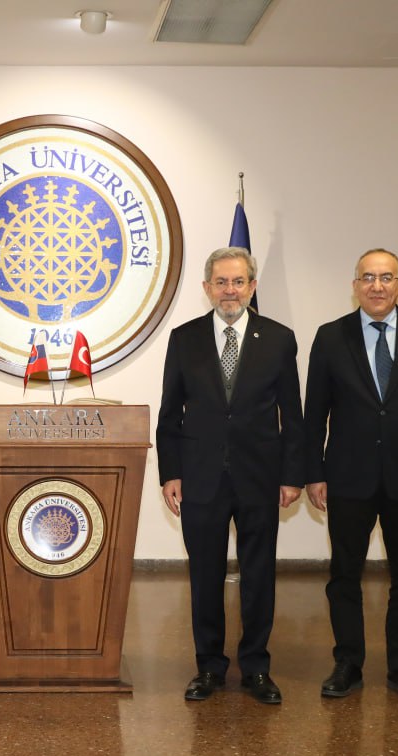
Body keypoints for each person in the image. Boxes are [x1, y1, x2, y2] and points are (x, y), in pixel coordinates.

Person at [156, 247, 304, 705]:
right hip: (200, 477)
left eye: (238, 282)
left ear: (252, 287)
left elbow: (292, 414)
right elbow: (169, 414)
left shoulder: (279, 339)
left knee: (259, 574)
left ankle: (257, 667)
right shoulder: (184, 339)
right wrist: (170, 473)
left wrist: (292, 475)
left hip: (260, 476)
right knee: (205, 575)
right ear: (206, 288)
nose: (229, 291)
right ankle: (209, 667)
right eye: (220, 282)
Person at [304, 248, 398, 701]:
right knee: (344, 574)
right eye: (368, 277)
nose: (377, 285)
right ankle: (348, 662)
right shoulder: (331, 336)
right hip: (348, 476)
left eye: (386, 277)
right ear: (355, 286)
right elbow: (315, 412)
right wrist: (313, 472)